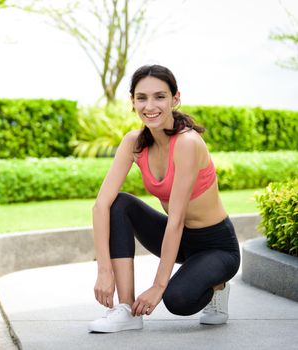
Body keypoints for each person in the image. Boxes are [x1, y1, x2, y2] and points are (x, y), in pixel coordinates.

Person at [88, 64, 241, 333]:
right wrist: (103, 271)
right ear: (132, 102)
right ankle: (126, 310)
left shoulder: (187, 143)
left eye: (160, 96)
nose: (150, 106)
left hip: (216, 245)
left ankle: (217, 285)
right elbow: (101, 205)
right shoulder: (133, 142)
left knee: (177, 299)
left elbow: (177, 219)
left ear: (175, 99)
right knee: (119, 204)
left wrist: (159, 286)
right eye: (142, 97)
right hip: (181, 240)